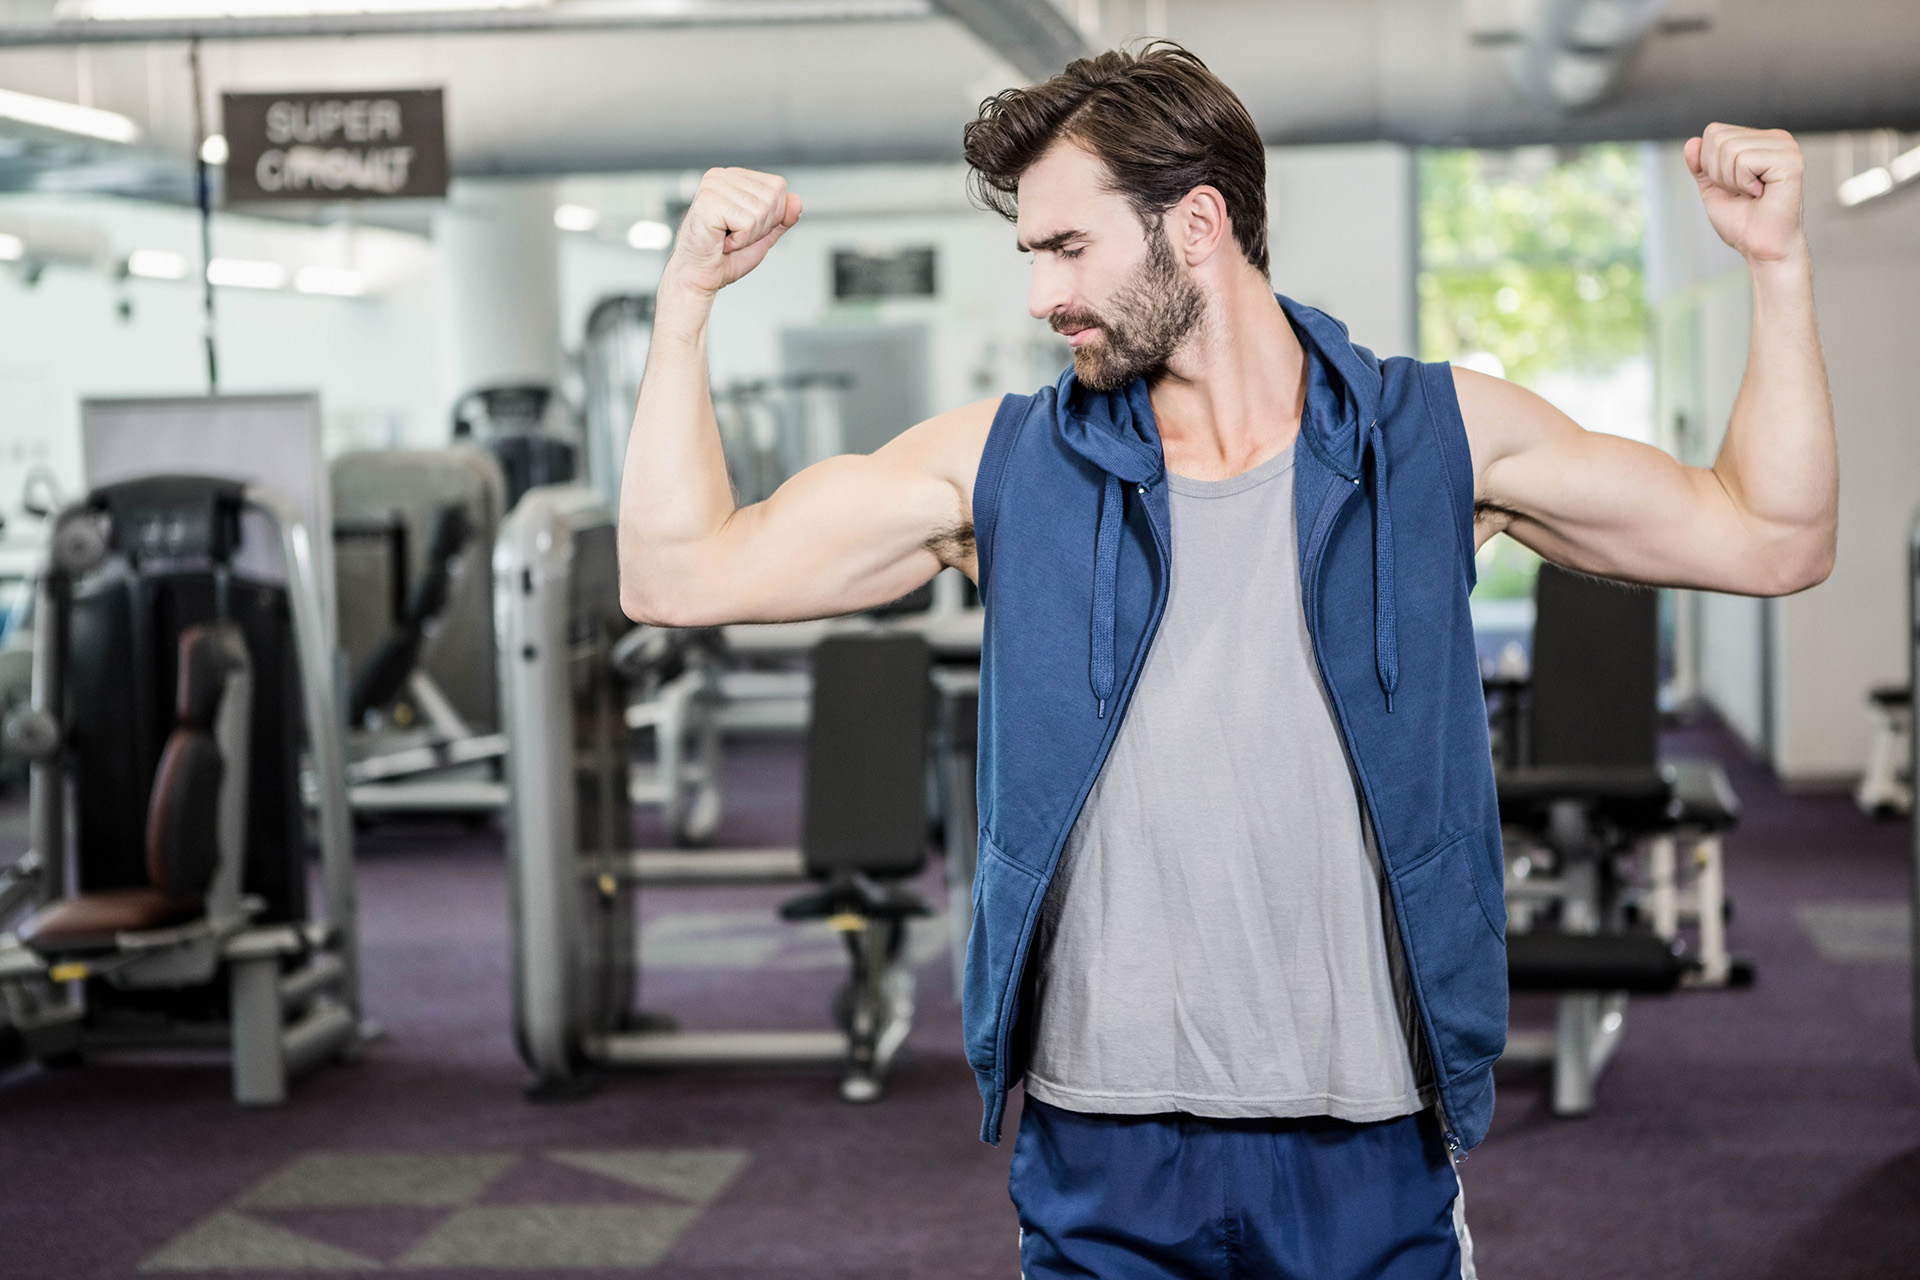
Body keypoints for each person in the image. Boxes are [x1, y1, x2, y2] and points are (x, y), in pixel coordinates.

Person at [617, 42, 1835, 1280]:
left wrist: (1778, 266)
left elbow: (1771, 534)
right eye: (1033, 252)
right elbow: (679, 575)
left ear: (1196, 224)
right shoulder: (1003, 467)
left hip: (1367, 1130)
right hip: (1105, 1138)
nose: (1041, 294)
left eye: (1067, 247)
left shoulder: (1433, 440)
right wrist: (683, 306)